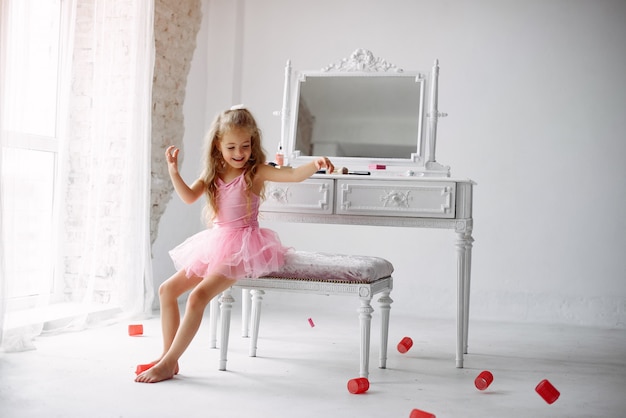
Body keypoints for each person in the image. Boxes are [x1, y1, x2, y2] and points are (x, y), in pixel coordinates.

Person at [135, 106, 334, 383]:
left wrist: (315, 164)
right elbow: (189, 197)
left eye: (245, 145)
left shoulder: (256, 172)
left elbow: (292, 175)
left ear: (253, 143)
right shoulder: (212, 174)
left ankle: (168, 363)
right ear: (218, 145)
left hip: (243, 247)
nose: (239, 153)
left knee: (197, 296)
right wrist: (173, 171)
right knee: (167, 290)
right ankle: (169, 357)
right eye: (231, 147)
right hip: (216, 241)